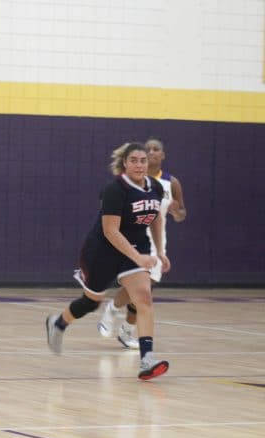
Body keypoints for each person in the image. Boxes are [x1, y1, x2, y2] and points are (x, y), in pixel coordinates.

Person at [45, 142, 171, 380]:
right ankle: (59, 323)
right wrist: (139, 258)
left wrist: (160, 251)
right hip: (103, 251)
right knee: (92, 302)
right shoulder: (115, 189)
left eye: (143, 160)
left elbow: (155, 218)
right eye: (133, 160)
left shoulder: (154, 187)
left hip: (135, 247)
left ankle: (147, 359)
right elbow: (111, 231)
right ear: (125, 163)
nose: (139, 165)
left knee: (143, 297)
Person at [97, 137, 187, 349]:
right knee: (141, 290)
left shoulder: (170, 183)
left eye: (156, 150)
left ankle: (125, 327)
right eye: (148, 150)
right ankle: (114, 311)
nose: (152, 153)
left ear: (162, 155)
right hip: (132, 238)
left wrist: (176, 210)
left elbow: (182, 213)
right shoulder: (127, 182)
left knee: (147, 289)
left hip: (156, 240)